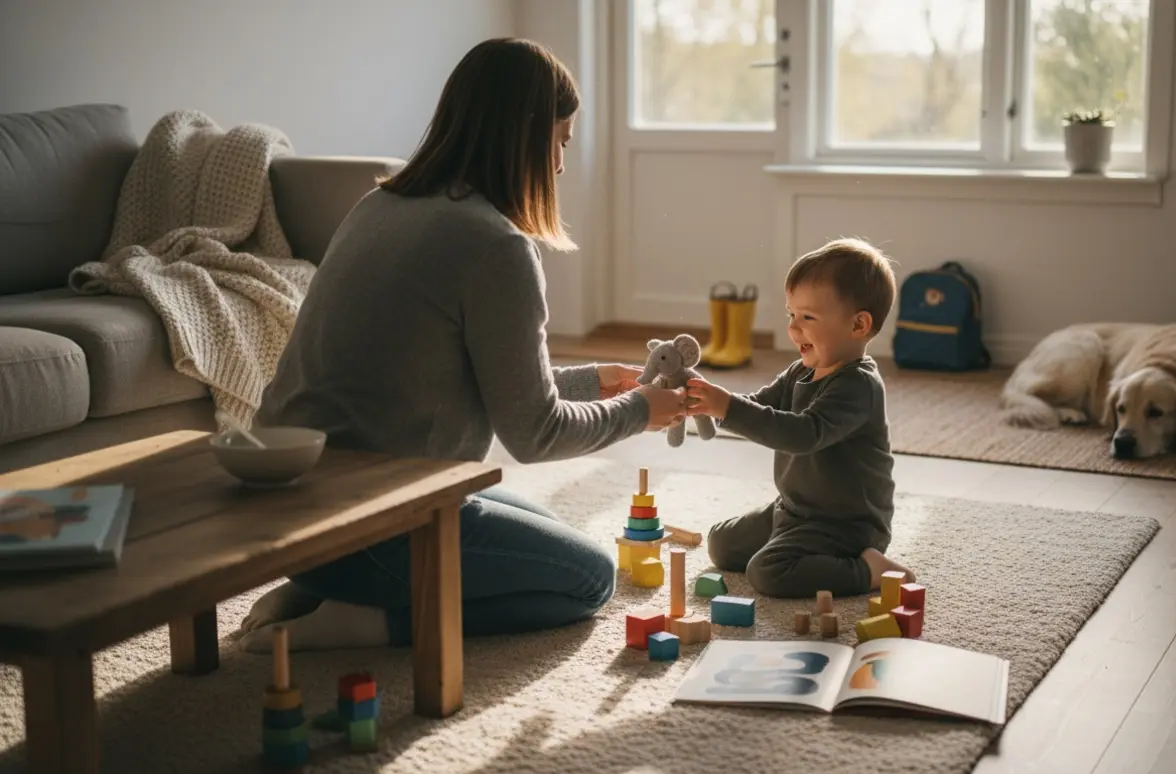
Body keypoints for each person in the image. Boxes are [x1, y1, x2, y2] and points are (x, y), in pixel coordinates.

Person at [232, 38, 689, 653]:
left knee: (537, 525)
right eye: (560, 141)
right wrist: (641, 412)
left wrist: (592, 379)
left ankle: (319, 589)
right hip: (368, 524)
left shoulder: (380, 205)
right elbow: (536, 435)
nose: (558, 165)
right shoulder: (497, 247)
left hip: (293, 510)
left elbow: (464, 372)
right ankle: (366, 621)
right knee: (589, 578)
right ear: (524, 136)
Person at [685, 238, 912, 599]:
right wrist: (706, 401)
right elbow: (759, 405)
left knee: (768, 572)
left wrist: (726, 407)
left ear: (858, 325)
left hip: (847, 524)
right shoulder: (799, 371)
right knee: (721, 544)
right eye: (791, 315)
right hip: (794, 509)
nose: (793, 329)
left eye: (807, 317)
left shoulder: (858, 386)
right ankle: (798, 544)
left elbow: (802, 434)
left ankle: (867, 570)